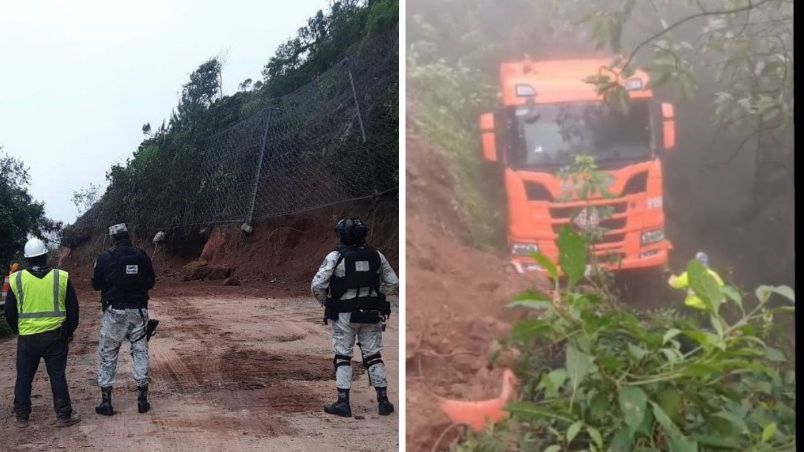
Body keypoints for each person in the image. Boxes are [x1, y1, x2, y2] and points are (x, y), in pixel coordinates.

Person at [311, 218, 398, 417]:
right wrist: (376, 294)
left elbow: (317, 285)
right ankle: (383, 402)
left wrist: (327, 301)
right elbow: (393, 282)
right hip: (371, 312)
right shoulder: (376, 255)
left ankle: (343, 403)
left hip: (344, 314)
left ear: (342, 235)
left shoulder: (336, 256)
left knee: (343, 356)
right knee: (374, 355)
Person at [3, 238, 81, 428]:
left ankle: (22, 416)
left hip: (28, 338)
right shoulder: (60, 277)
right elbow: (73, 309)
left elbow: (9, 312)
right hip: (55, 336)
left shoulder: (16, 279)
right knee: (57, 375)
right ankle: (63, 415)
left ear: (27, 259)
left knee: (24, 377)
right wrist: (68, 331)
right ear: (46, 256)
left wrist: (19, 330)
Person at [92, 223, 156, 416]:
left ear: (113, 238)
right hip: (138, 311)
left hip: (114, 312)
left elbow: (96, 285)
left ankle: (106, 402)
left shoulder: (104, 258)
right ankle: (143, 401)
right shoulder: (142, 255)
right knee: (140, 351)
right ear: (128, 236)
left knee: (108, 354)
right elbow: (151, 282)